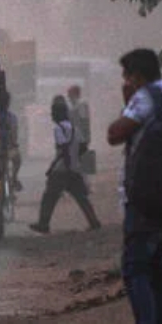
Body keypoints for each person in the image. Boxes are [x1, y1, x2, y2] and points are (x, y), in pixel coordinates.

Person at [107, 48, 162, 324]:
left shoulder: (143, 98)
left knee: (136, 269)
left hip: (143, 200)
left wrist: (127, 101)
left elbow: (114, 134)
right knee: (160, 271)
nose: (124, 82)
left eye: (127, 76)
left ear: (137, 76)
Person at [30, 95, 101, 233]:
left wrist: (52, 167)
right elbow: (83, 148)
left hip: (61, 169)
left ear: (57, 114)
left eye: (53, 113)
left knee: (49, 197)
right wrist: (78, 166)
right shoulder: (75, 128)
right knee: (82, 198)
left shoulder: (58, 129)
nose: (51, 115)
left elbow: (63, 150)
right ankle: (94, 222)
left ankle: (43, 224)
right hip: (74, 169)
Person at [4, 93, 23, 192]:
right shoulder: (12, 117)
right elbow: (14, 133)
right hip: (9, 148)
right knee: (17, 160)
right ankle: (14, 179)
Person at [67, 85, 91, 157]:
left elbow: (84, 121)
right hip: (73, 137)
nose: (68, 96)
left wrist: (87, 137)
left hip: (81, 138)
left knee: (80, 157)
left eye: (70, 94)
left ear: (75, 94)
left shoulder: (82, 104)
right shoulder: (71, 105)